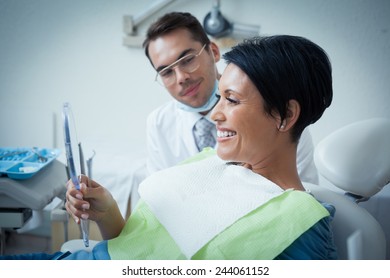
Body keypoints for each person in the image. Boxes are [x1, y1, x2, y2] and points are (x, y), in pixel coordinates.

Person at [1, 34, 337, 260]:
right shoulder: (207, 163)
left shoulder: (299, 224)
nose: (216, 114)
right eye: (221, 96)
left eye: (232, 100)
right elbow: (143, 245)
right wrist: (108, 213)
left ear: (286, 115)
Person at [129, 12, 319, 208]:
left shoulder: (278, 121)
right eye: (166, 72)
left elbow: (302, 197)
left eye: (187, 60)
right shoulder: (159, 122)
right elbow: (159, 197)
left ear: (213, 51)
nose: (181, 78)